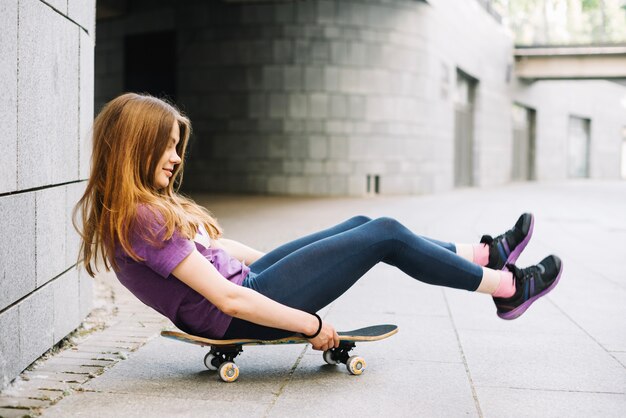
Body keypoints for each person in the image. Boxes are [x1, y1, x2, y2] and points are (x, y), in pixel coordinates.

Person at [74, 93, 563, 353]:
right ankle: (506, 287)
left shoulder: (141, 208)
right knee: (385, 232)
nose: (177, 158)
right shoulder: (142, 217)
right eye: (169, 146)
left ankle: (482, 256)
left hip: (250, 288)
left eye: (179, 146)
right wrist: (311, 324)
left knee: (362, 221)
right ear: (137, 145)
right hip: (238, 312)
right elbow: (226, 296)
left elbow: (224, 250)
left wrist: (297, 261)